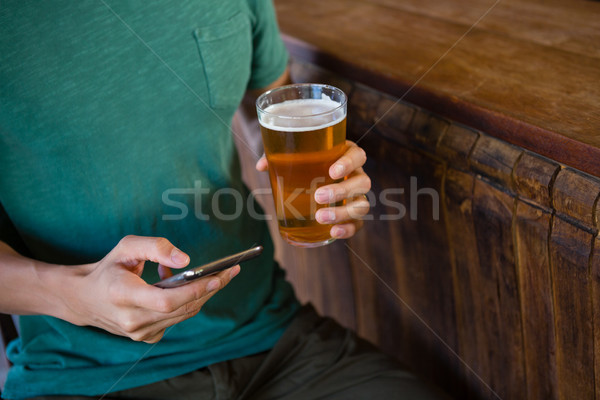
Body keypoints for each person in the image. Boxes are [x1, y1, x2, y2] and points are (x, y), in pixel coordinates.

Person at [0, 1, 447, 399]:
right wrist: (75, 297)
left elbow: (271, 112)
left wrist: (325, 181)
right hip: (85, 373)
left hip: (275, 338)